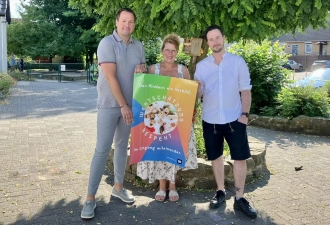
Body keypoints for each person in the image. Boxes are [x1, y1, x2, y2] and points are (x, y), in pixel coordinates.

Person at [81, 8, 146, 219]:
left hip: (130, 106)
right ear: (117, 22)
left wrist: (142, 70)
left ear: (134, 24)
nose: (127, 25)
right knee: (101, 149)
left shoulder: (139, 46)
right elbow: (110, 77)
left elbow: (141, 72)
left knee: (121, 147)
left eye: (131, 22)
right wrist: (124, 105)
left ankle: (118, 188)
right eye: (124, 21)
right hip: (110, 105)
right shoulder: (106, 43)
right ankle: (90, 198)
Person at [194, 25, 257, 219]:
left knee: (240, 158)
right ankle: (220, 191)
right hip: (210, 120)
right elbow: (197, 95)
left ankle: (240, 198)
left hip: (234, 119)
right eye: (211, 39)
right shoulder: (201, 66)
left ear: (224, 38)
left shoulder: (237, 62)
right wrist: (195, 88)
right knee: (216, 157)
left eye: (217, 37)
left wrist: (244, 115)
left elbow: (245, 89)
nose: (215, 42)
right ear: (208, 43)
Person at [136, 34, 198, 202]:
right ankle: (162, 187)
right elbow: (145, 94)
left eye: (173, 51)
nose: (170, 53)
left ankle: (172, 186)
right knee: (160, 153)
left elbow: (190, 97)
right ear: (162, 50)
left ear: (177, 52)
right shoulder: (152, 69)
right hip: (156, 120)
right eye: (167, 50)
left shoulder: (182, 70)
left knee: (173, 152)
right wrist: (139, 77)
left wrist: (196, 89)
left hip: (177, 120)